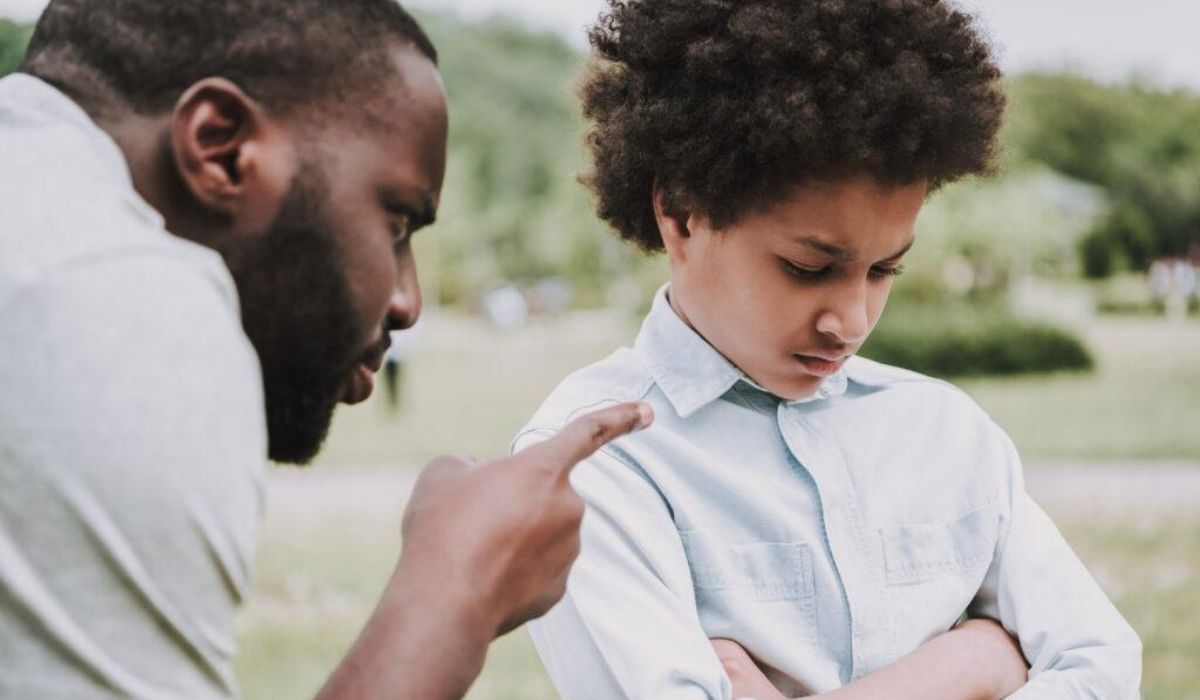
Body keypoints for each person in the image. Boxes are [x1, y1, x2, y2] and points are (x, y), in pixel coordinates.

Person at [0, 1, 652, 699]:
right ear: (221, 147)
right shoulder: (115, 303)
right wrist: (459, 588)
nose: (408, 302)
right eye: (397, 221)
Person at [513, 1, 1143, 698]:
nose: (850, 320)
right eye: (809, 268)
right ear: (683, 213)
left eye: (884, 271)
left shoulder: (948, 434)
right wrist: (968, 667)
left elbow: (1104, 670)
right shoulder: (594, 463)